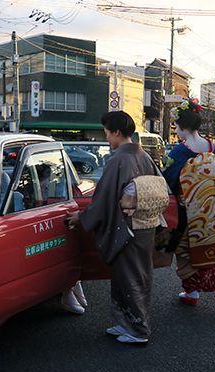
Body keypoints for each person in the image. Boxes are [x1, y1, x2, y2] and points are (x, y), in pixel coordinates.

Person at [65, 111, 160, 345]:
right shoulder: (143, 155)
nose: (106, 137)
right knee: (129, 275)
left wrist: (81, 217)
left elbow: (104, 198)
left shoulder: (118, 160)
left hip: (127, 227)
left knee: (130, 277)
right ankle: (125, 323)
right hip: (145, 225)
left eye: (107, 132)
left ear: (116, 132)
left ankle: (139, 330)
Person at [161, 98, 215, 312]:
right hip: (213, 210)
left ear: (182, 127)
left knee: (186, 253)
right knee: (210, 248)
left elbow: (167, 180)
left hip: (188, 213)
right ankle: (200, 291)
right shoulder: (214, 148)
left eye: (175, 127)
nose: (176, 131)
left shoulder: (178, 153)